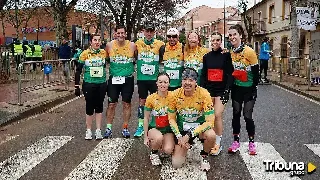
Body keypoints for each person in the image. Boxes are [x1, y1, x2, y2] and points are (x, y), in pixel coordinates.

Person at [168, 68, 216, 171]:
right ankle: (187, 145)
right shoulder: (174, 94)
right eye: (185, 79)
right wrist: (179, 136)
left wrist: (190, 134)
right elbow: (171, 119)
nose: (187, 83)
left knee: (211, 135)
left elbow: (210, 122)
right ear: (181, 81)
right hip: (182, 130)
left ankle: (204, 156)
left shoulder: (204, 94)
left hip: (198, 129)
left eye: (191, 80)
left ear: (196, 82)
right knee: (176, 163)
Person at [227, 24, 259, 155]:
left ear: (240, 35)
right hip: (237, 89)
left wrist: (253, 89)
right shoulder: (230, 52)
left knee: (247, 116)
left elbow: (256, 73)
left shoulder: (249, 52)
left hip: (249, 89)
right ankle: (236, 141)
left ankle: (251, 142)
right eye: (230, 35)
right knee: (236, 114)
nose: (232, 37)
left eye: (234, 34)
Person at [200, 32, 234, 156]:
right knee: (209, 116)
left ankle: (218, 143)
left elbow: (230, 74)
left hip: (221, 91)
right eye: (213, 40)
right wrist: (202, 91)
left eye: (218, 40)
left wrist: (227, 91)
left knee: (217, 115)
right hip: (209, 91)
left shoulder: (226, 55)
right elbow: (204, 75)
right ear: (210, 41)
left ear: (221, 41)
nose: (215, 42)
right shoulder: (207, 56)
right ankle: (210, 140)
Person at [104, 25, 136, 138]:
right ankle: (108, 128)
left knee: (126, 104)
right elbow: (104, 59)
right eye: (119, 33)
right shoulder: (109, 45)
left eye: (123, 33)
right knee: (111, 104)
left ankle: (125, 127)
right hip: (114, 79)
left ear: (126, 34)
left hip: (127, 79)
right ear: (115, 34)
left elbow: (136, 58)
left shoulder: (132, 46)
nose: (121, 35)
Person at [133, 23, 165, 137]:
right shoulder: (137, 43)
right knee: (142, 101)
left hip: (154, 79)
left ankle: (156, 124)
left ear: (154, 32)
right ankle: (141, 125)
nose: (149, 34)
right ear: (143, 31)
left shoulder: (160, 44)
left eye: (151, 31)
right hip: (142, 79)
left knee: (156, 102)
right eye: (147, 31)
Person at [74, 34, 108, 140]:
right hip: (89, 83)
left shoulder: (104, 53)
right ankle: (88, 130)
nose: (97, 42)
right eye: (95, 40)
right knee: (89, 106)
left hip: (101, 83)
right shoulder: (85, 53)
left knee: (99, 106)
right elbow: (78, 70)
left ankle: (98, 130)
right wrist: (76, 86)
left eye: (99, 40)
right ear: (91, 42)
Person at [143, 72, 175, 166]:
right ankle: (154, 153)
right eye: (160, 82)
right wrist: (145, 137)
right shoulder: (151, 98)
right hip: (155, 128)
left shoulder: (173, 97)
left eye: (165, 82)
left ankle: (162, 146)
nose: (163, 84)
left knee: (168, 150)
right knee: (158, 138)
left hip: (168, 129)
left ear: (169, 83)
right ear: (156, 83)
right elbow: (146, 117)